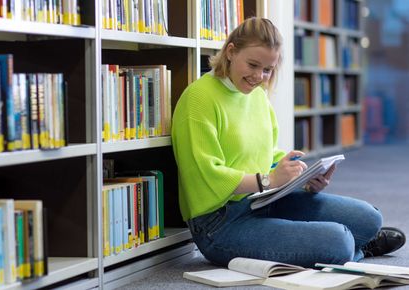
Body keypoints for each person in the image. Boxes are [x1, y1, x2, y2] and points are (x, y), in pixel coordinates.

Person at [171, 17, 405, 268]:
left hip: (264, 200)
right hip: (219, 224)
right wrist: (268, 180)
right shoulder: (198, 98)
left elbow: (267, 155)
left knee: (370, 218)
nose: (258, 77)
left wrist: (301, 178)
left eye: (267, 69)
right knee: (338, 242)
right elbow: (205, 174)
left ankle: (348, 246)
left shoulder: (257, 96)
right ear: (230, 52)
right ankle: (354, 250)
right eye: (252, 64)